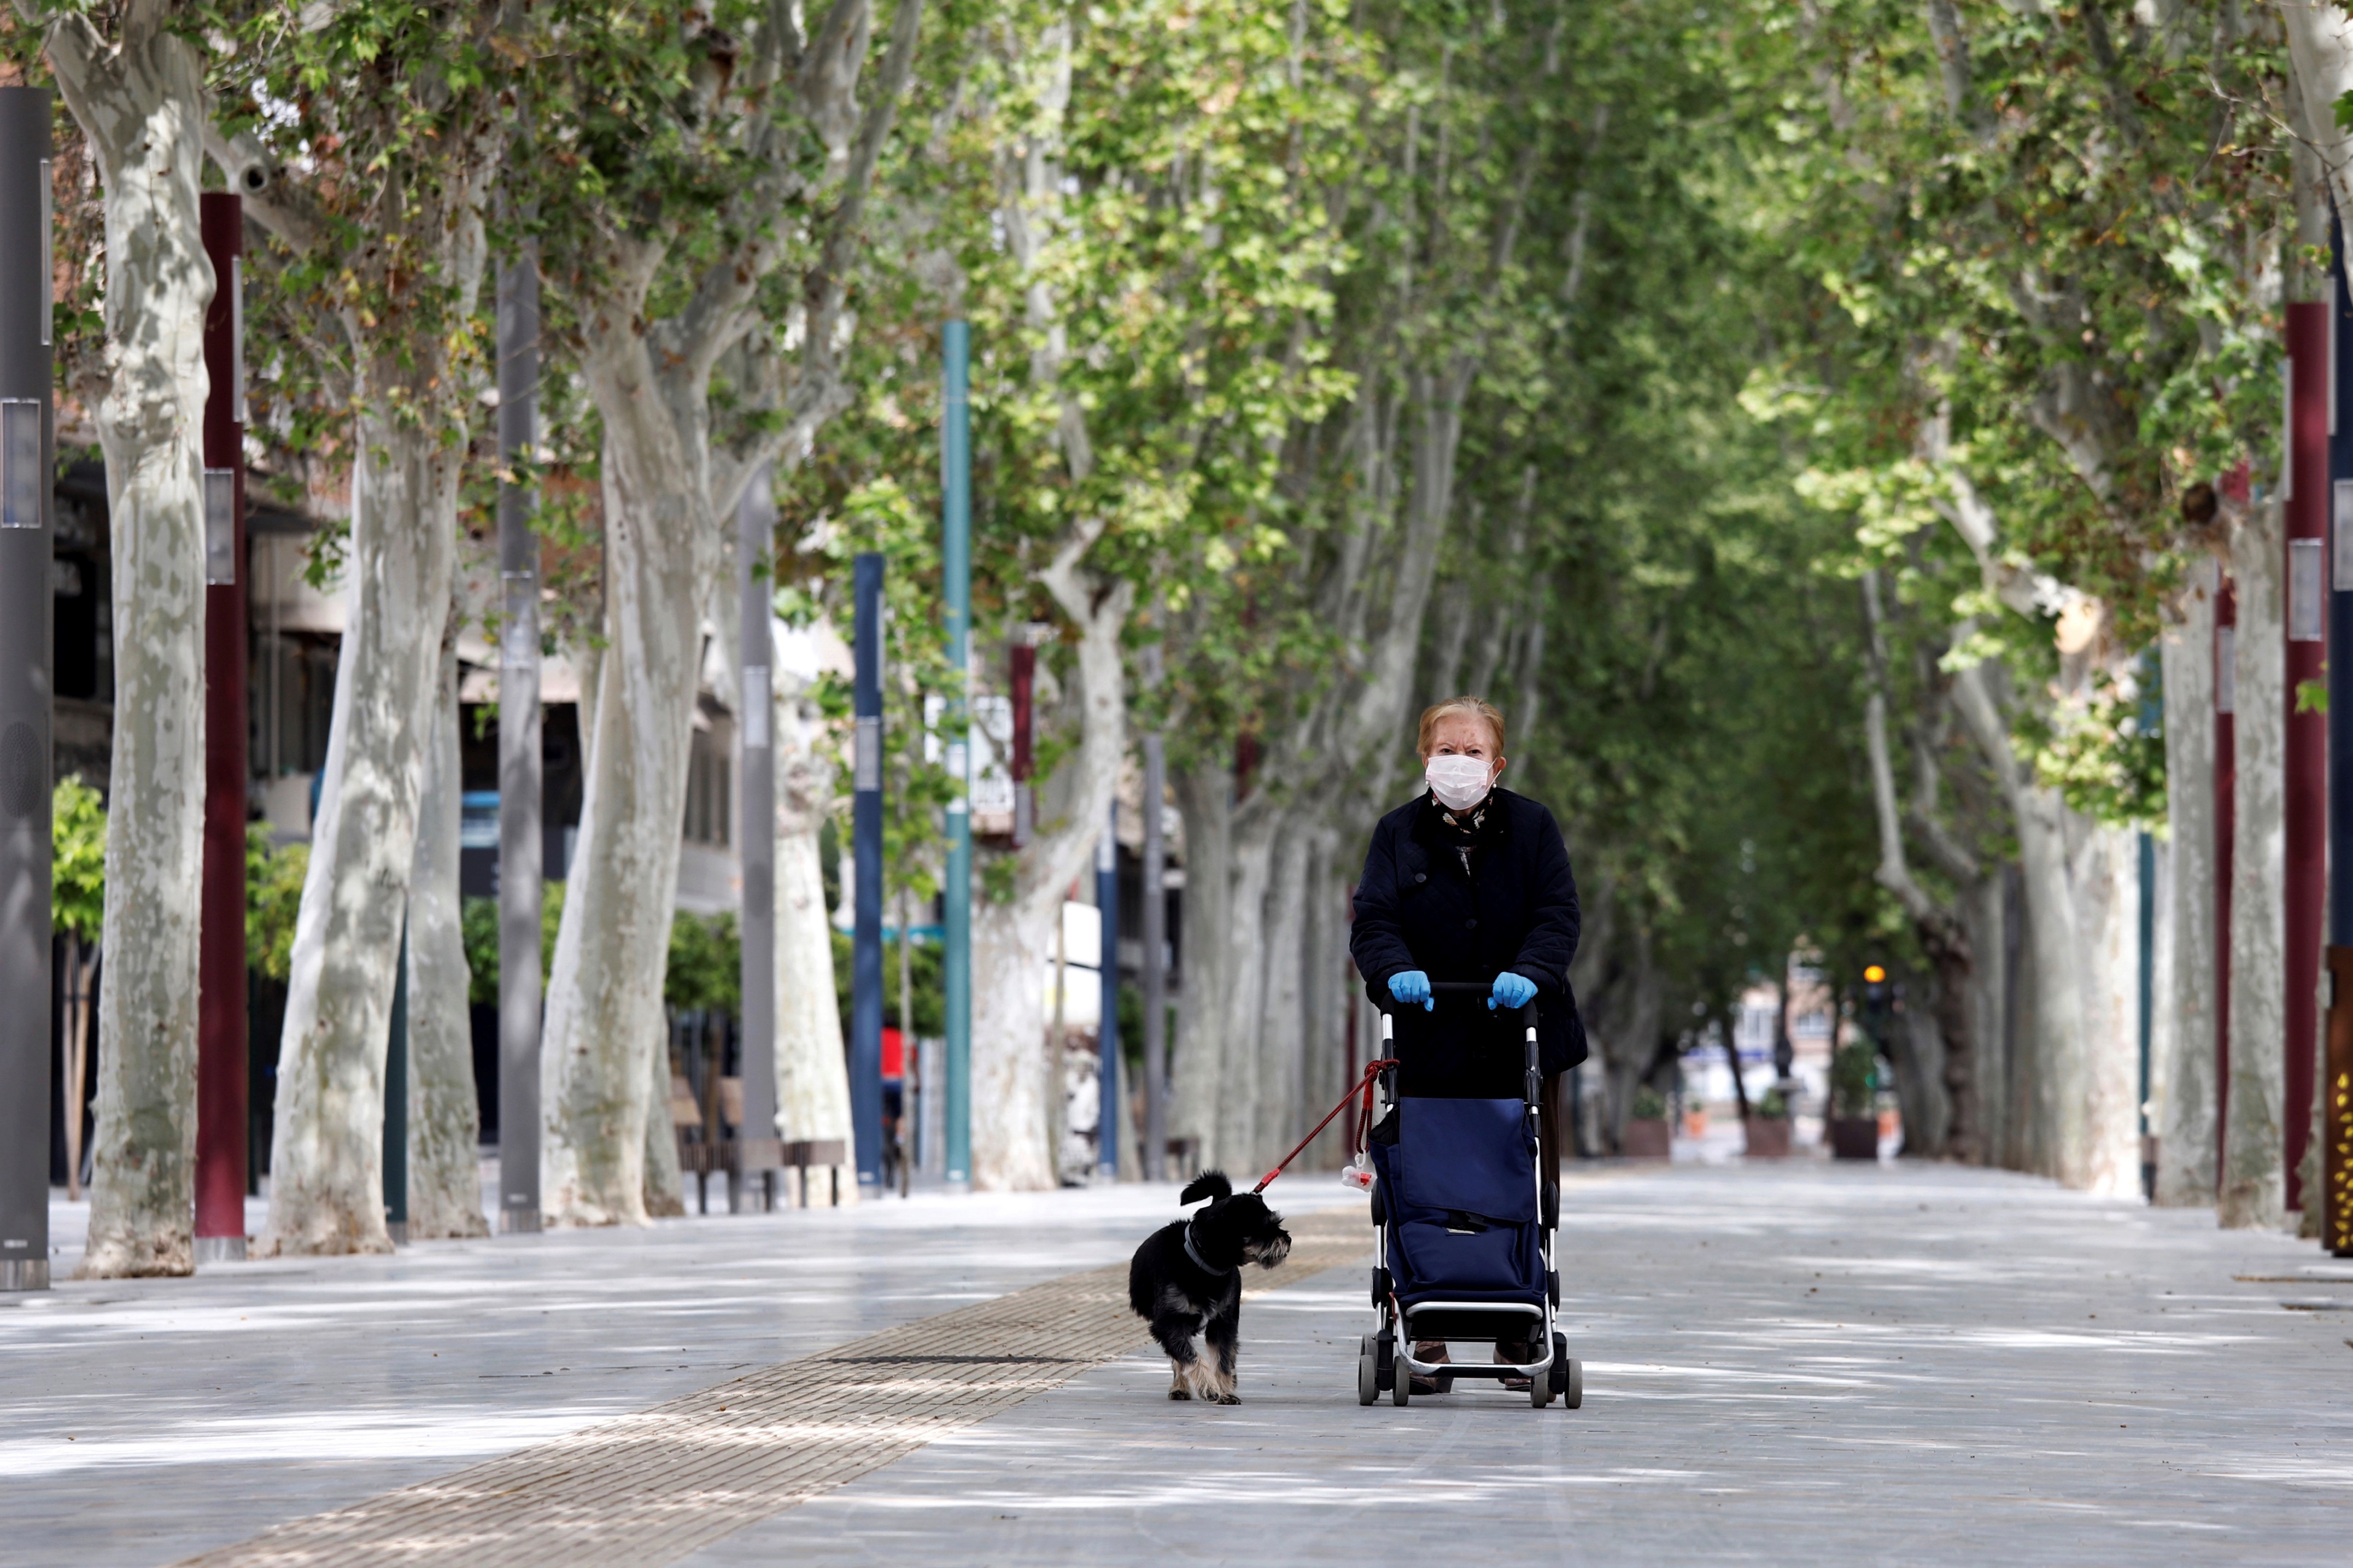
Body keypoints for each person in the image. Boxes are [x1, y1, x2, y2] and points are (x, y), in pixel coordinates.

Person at [1348, 695, 1585, 1391]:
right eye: (1445, 749)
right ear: (1424, 758)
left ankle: (1520, 1328)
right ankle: (1426, 1326)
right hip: (1428, 1034)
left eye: (1472, 751)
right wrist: (1395, 970)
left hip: (1522, 1035)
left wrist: (1531, 972)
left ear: (1497, 763)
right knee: (1429, 1176)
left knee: (1520, 1172)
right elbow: (1373, 920)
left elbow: (1558, 914)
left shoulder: (1535, 826)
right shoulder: (1396, 833)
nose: (1458, 762)